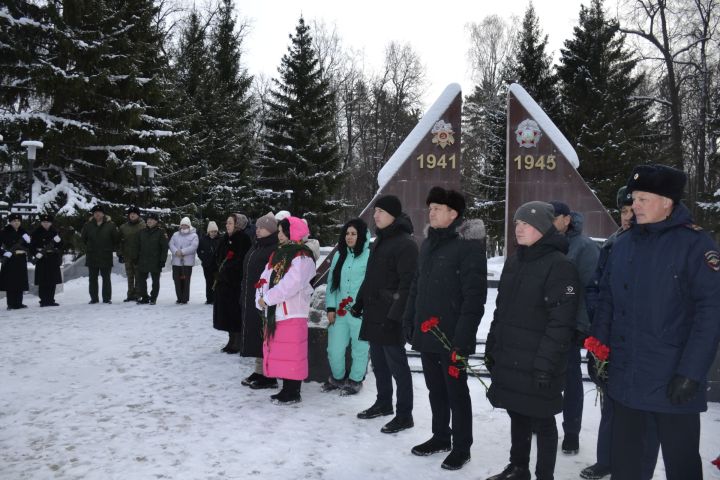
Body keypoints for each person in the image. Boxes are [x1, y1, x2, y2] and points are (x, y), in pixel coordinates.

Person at [591, 164, 720, 480]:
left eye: (643, 199)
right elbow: (606, 301)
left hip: (673, 382)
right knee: (627, 467)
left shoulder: (696, 245)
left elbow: (711, 312)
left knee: (682, 466)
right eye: (634, 198)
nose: (634, 205)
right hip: (626, 383)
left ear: (668, 202)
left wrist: (691, 372)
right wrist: (599, 351)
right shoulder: (622, 243)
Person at [485, 201, 580, 480]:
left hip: (539, 360)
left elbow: (561, 323)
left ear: (542, 228)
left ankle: (544, 475)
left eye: (526, 224)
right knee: (518, 412)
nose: (519, 229)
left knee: (543, 419)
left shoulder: (560, 266)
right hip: (512, 356)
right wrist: (493, 347)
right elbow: (501, 310)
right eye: (516, 223)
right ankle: (518, 468)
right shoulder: (515, 261)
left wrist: (544, 365)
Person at [403, 187, 487, 471]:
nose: (431, 212)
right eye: (430, 208)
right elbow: (417, 285)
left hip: (452, 335)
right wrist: (410, 319)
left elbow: (475, 296)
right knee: (434, 389)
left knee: (456, 392)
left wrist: (462, 339)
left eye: (437, 208)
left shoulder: (468, 247)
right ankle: (441, 436)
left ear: (453, 214)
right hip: (428, 332)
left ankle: (462, 447)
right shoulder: (428, 244)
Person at [580, 186, 659, 480]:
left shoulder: (656, 246)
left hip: (640, 347)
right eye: (624, 211)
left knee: (643, 417)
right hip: (609, 338)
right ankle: (607, 461)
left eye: (632, 210)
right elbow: (594, 287)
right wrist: (597, 319)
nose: (628, 216)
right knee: (612, 406)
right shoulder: (613, 244)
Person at [352, 195, 418, 434]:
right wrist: (360, 302)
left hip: (391, 316)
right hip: (374, 312)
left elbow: (408, 285)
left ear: (393, 215)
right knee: (379, 364)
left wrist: (395, 317)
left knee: (398, 367)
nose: (376, 215)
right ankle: (383, 403)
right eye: (375, 211)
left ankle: (404, 415)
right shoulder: (379, 241)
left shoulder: (406, 244)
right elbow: (370, 278)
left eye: (381, 211)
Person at [548, 200, 600, 455]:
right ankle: (542, 421)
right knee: (543, 378)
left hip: (569, 326)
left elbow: (588, 291)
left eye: (553, 216)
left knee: (570, 381)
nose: (548, 221)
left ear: (566, 219)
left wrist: (580, 325)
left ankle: (571, 433)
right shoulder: (544, 243)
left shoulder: (584, 247)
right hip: (544, 325)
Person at [255, 216, 316, 404]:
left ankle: (293, 391)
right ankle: (286, 389)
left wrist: (268, 298)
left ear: (294, 232)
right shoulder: (279, 254)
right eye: (279, 231)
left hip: (292, 311)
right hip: (277, 311)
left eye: (283, 232)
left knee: (292, 353)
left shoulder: (302, 256)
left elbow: (292, 283)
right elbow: (266, 276)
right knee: (282, 352)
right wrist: (259, 296)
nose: (279, 235)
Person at [323, 218, 371, 396]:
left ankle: (355, 380)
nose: (349, 237)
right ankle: (338, 378)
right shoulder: (339, 254)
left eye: (353, 234)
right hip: (340, 311)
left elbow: (371, 284)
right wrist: (330, 308)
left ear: (362, 236)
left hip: (360, 312)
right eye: (347, 234)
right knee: (334, 349)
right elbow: (332, 284)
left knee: (360, 349)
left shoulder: (369, 255)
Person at [239, 212, 279, 389]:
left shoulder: (273, 248)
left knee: (264, 335)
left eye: (262, 227)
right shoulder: (257, 245)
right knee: (256, 335)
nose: (258, 230)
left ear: (270, 230)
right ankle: (259, 370)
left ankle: (270, 375)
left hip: (265, 299)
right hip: (251, 296)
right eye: (257, 227)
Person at [213, 213, 252, 354]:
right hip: (223, 281)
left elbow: (242, 259)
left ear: (237, 224)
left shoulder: (243, 239)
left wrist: (229, 268)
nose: (227, 225)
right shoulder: (225, 238)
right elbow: (218, 256)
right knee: (226, 312)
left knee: (235, 312)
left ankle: (238, 341)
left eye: (230, 223)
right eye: (227, 222)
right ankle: (231, 339)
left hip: (235, 282)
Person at [80, 205, 119, 304]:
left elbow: (116, 239)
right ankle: (94, 298)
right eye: (95, 212)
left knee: (106, 278)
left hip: (105, 255)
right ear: (93, 214)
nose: (97, 214)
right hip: (92, 255)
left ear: (103, 214)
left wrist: (109, 248)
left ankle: (106, 298)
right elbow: (83, 239)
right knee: (92, 279)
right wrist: (90, 247)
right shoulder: (88, 225)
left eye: (99, 212)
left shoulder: (111, 225)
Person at [133, 212, 168, 305]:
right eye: (148, 220)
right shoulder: (141, 232)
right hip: (143, 260)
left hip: (155, 261)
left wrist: (162, 260)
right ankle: (144, 297)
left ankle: (153, 298)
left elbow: (164, 248)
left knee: (155, 281)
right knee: (141, 280)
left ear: (156, 221)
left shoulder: (161, 232)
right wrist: (136, 257)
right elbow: (137, 246)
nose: (149, 221)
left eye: (152, 219)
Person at [30, 214, 64, 307]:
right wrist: (35, 253)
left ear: (50, 223)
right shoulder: (36, 232)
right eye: (44, 222)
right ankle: (43, 300)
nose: (46, 224)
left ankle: (51, 299)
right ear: (41, 222)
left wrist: (59, 242)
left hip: (52, 258)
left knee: (52, 280)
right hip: (42, 258)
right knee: (43, 280)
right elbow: (32, 246)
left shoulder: (55, 232)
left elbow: (61, 246)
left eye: (48, 222)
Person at [0, 213, 31, 309]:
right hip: (10, 259)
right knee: (11, 282)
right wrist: (3, 253)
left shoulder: (23, 232)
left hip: (21, 259)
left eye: (18, 221)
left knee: (20, 281)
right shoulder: (4, 232)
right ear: (10, 222)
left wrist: (29, 241)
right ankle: (11, 303)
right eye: (14, 221)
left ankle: (19, 303)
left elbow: (29, 247)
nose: (16, 223)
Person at [169, 217, 198, 304]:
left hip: (187, 263)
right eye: (182, 225)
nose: (184, 226)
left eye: (186, 225)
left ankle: (184, 298)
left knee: (185, 281)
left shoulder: (194, 235)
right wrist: (175, 251)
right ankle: (179, 297)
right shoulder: (175, 234)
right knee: (177, 280)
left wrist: (182, 252)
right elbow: (171, 244)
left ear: (189, 225)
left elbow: (193, 247)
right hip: (176, 262)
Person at [118, 206, 145, 302]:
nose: (132, 215)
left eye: (134, 214)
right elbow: (120, 241)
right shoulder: (123, 227)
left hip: (139, 255)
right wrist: (120, 254)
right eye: (131, 214)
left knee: (138, 275)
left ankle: (138, 294)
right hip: (127, 255)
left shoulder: (144, 226)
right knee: (130, 276)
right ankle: (130, 294)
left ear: (138, 215)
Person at [197, 221, 221, 304]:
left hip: (217, 265)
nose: (213, 233)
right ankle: (209, 298)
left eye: (215, 231)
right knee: (208, 281)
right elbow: (199, 251)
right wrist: (204, 258)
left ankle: (216, 298)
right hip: (207, 265)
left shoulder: (220, 239)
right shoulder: (203, 239)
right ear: (208, 231)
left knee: (217, 282)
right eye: (212, 231)